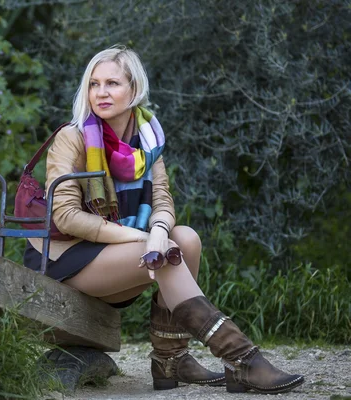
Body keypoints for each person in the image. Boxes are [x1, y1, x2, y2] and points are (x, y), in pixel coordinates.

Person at [23, 45, 304, 394]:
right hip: (67, 260)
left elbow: (162, 199)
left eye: (112, 83)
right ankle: (242, 358)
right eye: (94, 84)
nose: (101, 93)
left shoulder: (148, 141)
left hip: (114, 256)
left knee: (185, 238)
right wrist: (142, 239)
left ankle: (171, 361)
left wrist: (157, 229)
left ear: (134, 89)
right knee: (168, 251)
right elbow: (65, 217)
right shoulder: (74, 137)